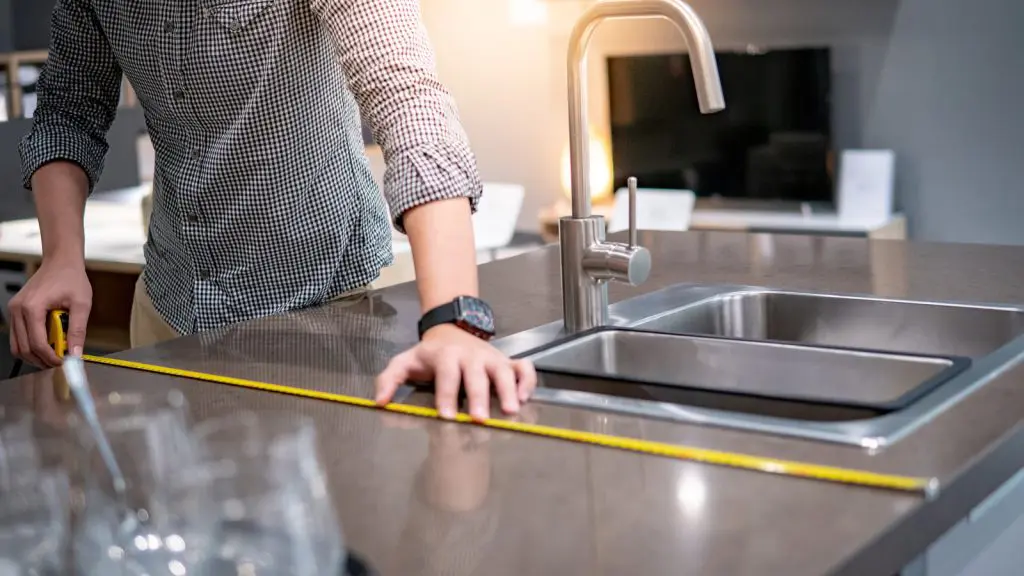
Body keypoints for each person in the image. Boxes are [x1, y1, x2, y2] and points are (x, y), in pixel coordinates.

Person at [6, 0, 536, 420]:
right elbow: (68, 112)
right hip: (171, 308)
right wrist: (60, 258)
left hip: (323, 312)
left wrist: (453, 322)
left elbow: (408, 101)